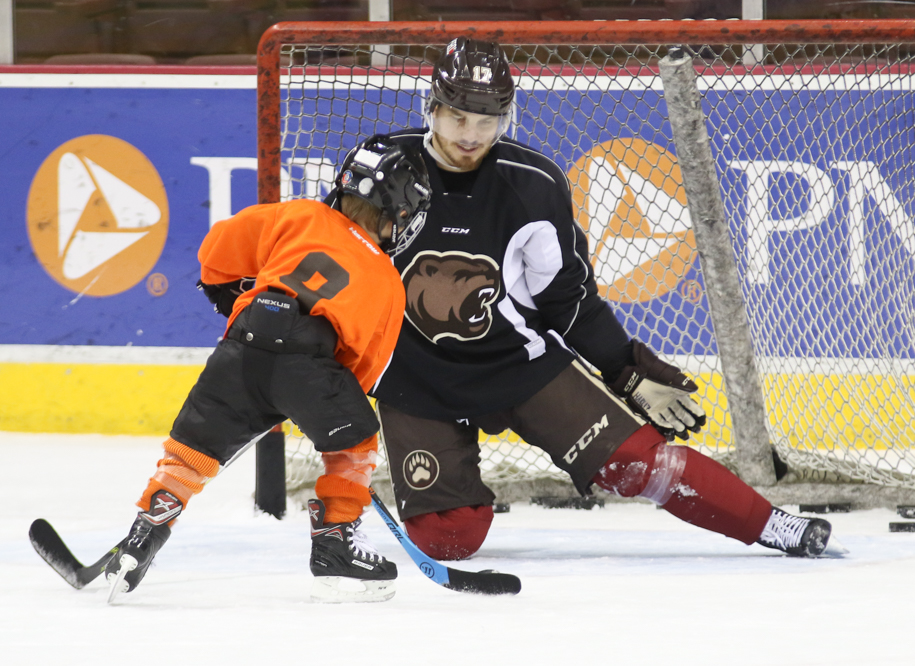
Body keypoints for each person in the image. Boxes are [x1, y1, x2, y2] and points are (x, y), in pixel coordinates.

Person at [357, 38, 834, 561]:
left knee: (640, 464)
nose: (471, 136)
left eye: (487, 120)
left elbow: (567, 300)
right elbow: (333, 272)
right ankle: (454, 484)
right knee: (448, 539)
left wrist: (624, 369)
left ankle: (772, 524)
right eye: (458, 118)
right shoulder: (382, 169)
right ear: (432, 107)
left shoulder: (533, 186)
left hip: (518, 365)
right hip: (416, 377)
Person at [102, 135, 432, 603]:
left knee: (193, 448)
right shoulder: (385, 279)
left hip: (241, 344)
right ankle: (335, 541)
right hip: (310, 365)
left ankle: (147, 528)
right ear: (398, 214)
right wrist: (326, 412)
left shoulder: (300, 214)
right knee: (356, 439)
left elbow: (217, 247)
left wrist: (225, 294)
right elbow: (362, 367)